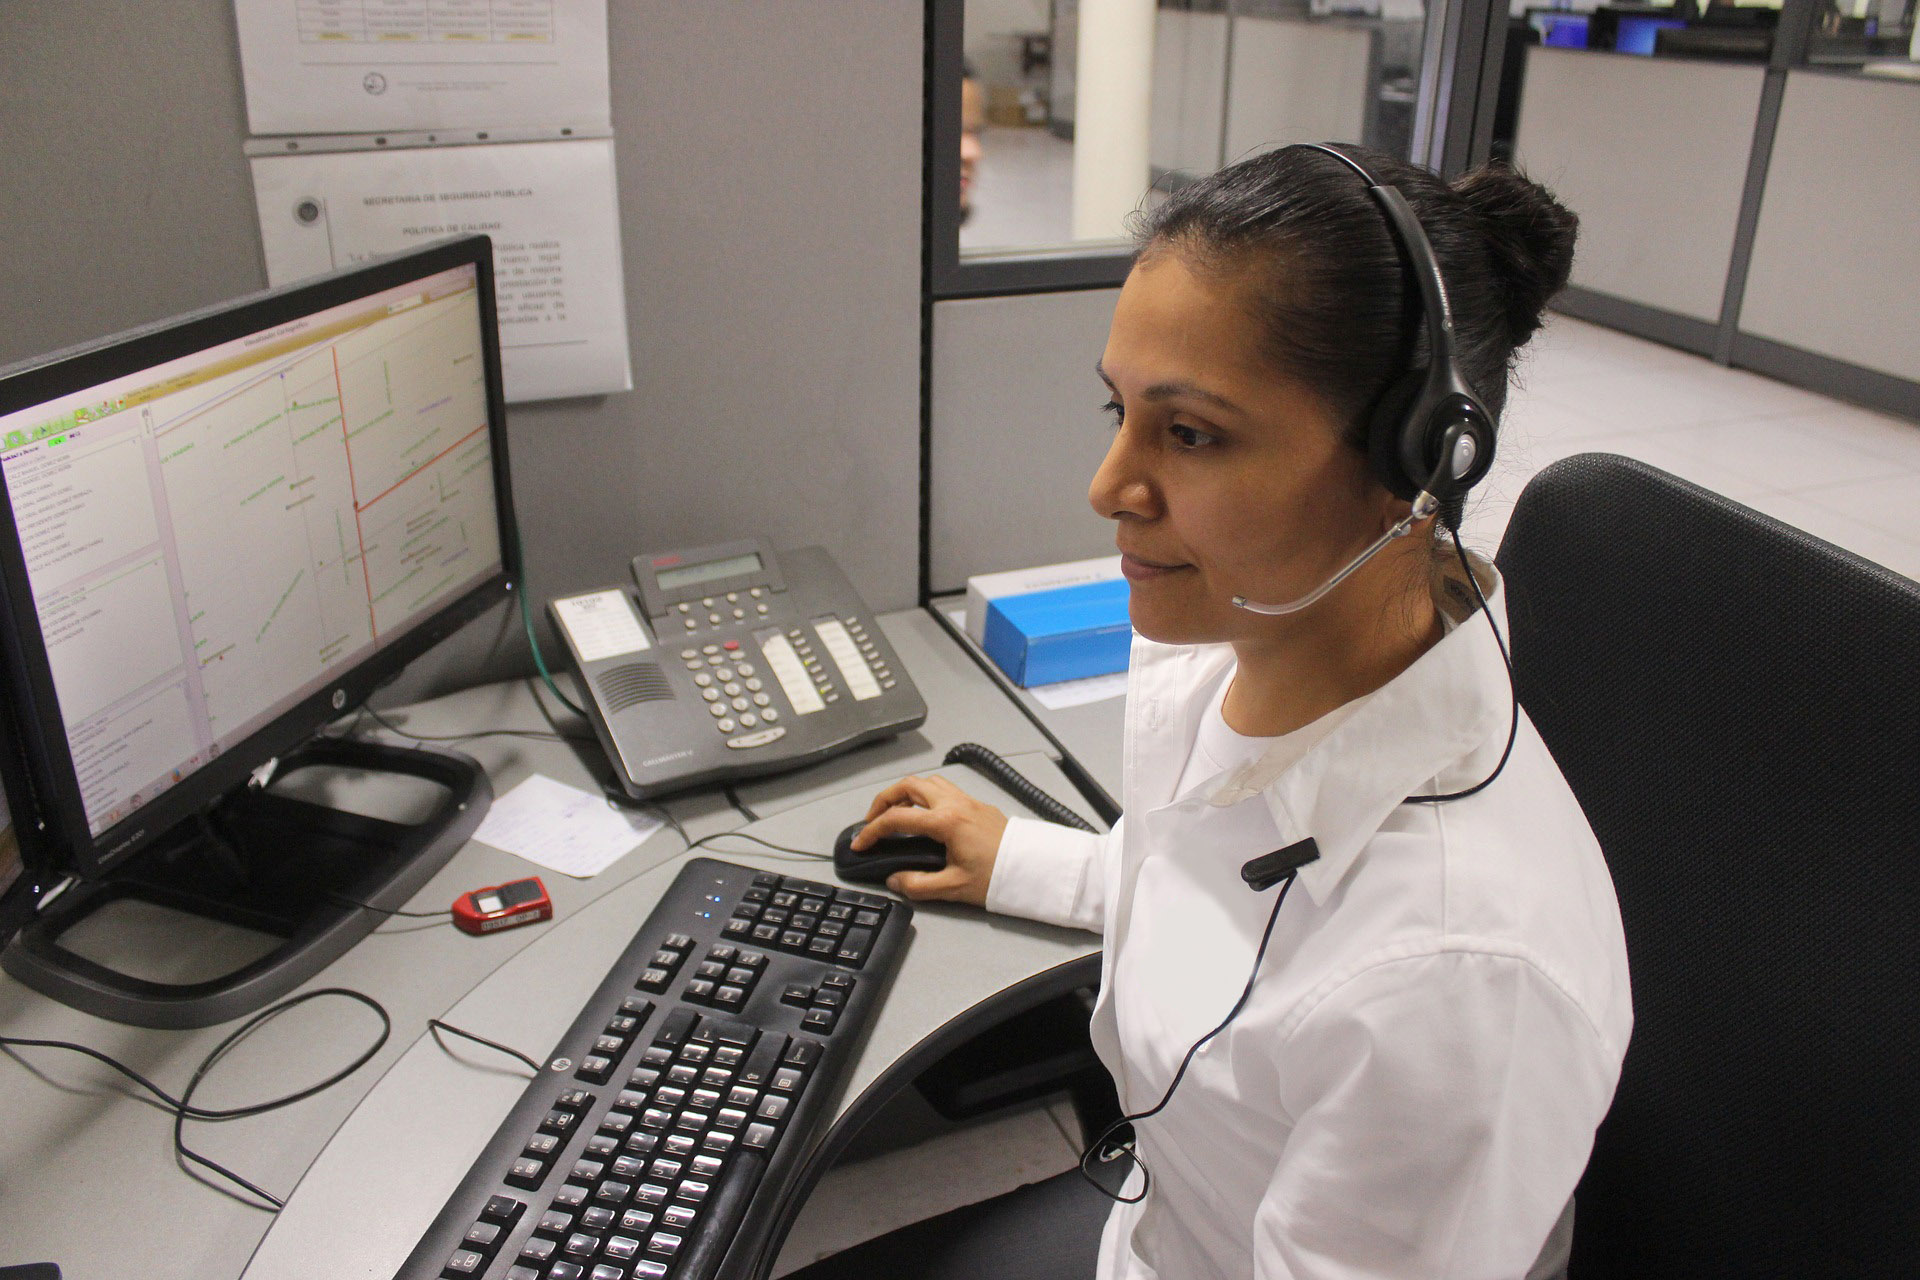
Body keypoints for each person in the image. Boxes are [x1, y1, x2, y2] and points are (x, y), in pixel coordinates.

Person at [795, 143, 1631, 1279]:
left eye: (1188, 433)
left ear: (1421, 458)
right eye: (1119, 409)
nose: (1106, 485)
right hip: (1156, 1226)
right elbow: (1215, 870)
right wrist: (1027, 861)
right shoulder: (1241, 648)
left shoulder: (1454, 978)